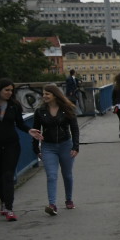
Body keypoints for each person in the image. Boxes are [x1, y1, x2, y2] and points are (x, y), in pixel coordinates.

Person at [0, 79, 33, 221]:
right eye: (6, 90)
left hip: (11, 145)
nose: (9, 93)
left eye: (11, 90)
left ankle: (9, 208)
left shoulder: (14, 105)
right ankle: (4, 202)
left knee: (8, 175)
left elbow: (20, 123)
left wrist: (30, 130)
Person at [31, 85, 80, 215]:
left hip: (65, 145)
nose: (44, 96)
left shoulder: (67, 109)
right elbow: (36, 131)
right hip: (48, 146)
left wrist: (76, 146)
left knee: (67, 175)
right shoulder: (40, 111)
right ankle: (52, 205)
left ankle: (69, 200)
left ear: (55, 95)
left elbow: (74, 129)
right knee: (51, 175)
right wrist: (36, 148)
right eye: (44, 94)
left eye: (47, 94)